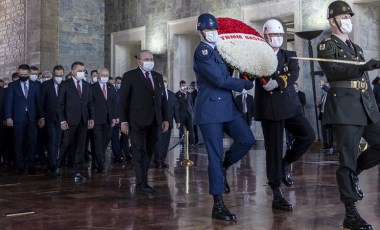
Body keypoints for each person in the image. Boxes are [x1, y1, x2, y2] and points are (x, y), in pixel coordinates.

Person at [317, 1, 380, 229]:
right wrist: (363, 67)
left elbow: (364, 83)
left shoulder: (357, 48)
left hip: (365, 106)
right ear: (332, 21)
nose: (347, 21)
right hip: (344, 109)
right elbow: (334, 71)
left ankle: (357, 170)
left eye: (349, 17)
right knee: (346, 161)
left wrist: (374, 108)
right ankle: (350, 213)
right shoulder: (327, 46)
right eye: (343, 17)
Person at [193, 13, 255, 221]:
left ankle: (225, 166)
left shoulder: (219, 50)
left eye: (214, 30)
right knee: (214, 155)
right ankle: (218, 204)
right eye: (208, 30)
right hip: (210, 110)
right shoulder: (202, 52)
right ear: (200, 31)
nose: (212, 33)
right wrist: (244, 85)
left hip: (228, 108)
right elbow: (220, 79)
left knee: (247, 139)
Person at [254, 19, 315, 211]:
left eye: (280, 35)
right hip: (270, 109)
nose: (278, 39)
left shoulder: (290, 55)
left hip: (290, 106)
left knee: (308, 135)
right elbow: (247, 76)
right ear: (265, 36)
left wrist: (279, 82)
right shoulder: (257, 57)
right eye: (274, 35)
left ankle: (287, 161)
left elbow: (294, 74)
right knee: (273, 150)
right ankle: (276, 192)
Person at [119, 50, 169, 193]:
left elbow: (163, 100)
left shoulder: (158, 77)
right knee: (138, 151)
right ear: (139, 61)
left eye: (151, 58)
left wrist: (165, 118)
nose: (149, 61)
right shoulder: (130, 76)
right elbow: (123, 101)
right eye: (146, 59)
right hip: (136, 120)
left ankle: (144, 179)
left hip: (154, 120)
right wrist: (124, 121)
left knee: (148, 151)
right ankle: (141, 183)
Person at [55, 61, 94, 182]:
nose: (83, 73)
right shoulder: (65, 84)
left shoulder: (87, 85)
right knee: (66, 144)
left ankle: (78, 171)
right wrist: (62, 120)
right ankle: (58, 166)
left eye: (84, 71)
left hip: (83, 120)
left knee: (81, 147)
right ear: (73, 71)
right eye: (80, 71)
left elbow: (90, 103)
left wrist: (91, 118)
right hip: (69, 120)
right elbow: (59, 105)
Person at [5, 64, 45, 175]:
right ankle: (21, 166)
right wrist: (8, 117)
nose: (23, 76)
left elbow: (39, 103)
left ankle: (31, 164)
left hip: (32, 117)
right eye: (21, 74)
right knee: (18, 142)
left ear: (29, 74)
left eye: (25, 74)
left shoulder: (36, 85)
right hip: (18, 118)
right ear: (18, 73)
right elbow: (9, 102)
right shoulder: (12, 86)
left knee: (32, 142)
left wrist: (41, 116)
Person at [90, 68, 117, 172]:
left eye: (107, 75)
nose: (105, 77)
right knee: (97, 141)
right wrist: (91, 118)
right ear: (98, 75)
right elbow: (90, 104)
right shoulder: (92, 87)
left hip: (109, 119)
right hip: (96, 119)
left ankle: (96, 160)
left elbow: (114, 103)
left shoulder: (111, 87)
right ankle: (100, 164)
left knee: (105, 141)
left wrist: (114, 117)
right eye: (103, 75)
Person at [40, 65, 64, 173]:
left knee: (57, 141)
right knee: (51, 140)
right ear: (53, 74)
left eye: (60, 75)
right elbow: (41, 103)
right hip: (49, 118)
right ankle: (52, 163)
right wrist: (41, 117)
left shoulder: (65, 85)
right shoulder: (46, 85)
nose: (58, 77)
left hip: (61, 119)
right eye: (56, 75)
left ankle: (54, 161)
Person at [154, 75, 180, 168]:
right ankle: (157, 160)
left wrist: (177, 121)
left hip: (169, 122)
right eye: (163, 81)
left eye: (166, 81)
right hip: (158, 122)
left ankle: (162, 160)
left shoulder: (172, 94)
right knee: (158, 142)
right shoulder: (155, 93)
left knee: (165, 142)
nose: (164, 83)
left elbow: (175, 109)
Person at [175, 80, 195, 149]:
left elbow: (191, 104)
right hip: (181, 115)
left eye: (185, 85)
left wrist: (192, 113)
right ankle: (181, 143)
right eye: (183, 85)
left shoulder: (189, 94)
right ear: (180, 86)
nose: (184, 87)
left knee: (191, 129)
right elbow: (176, 106)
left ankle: (192, 143)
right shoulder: (177, 94)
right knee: (181, 130)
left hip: (189, 114)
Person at [317, 80, 334, 154]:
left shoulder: (332, 93)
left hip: (329, 116)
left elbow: (328, 90)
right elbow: (323, 105)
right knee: (323, 131)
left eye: (327, 85)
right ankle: (325, 145)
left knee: (330, 132)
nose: (326, 86)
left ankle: (330, 146)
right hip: (323, 114)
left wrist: (322, 85)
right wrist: (319, 105)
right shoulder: (324, 95)